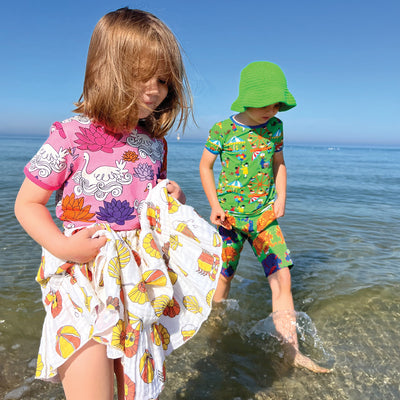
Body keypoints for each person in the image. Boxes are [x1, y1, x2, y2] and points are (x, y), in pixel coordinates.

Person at [15, 8, 222, 400]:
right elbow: (27, 203)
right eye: (142, 75)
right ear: (107, 69)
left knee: (136, 387)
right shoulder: (70, 135)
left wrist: (170, 199)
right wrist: (62, 247)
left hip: (137, 278)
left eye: (163, 79)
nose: (155, 88)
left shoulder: (154, 144)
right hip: (82, 273)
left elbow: (147, 201)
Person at [199, 61, 329, 373]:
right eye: (264, 103)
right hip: (229, 219)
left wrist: (281, 197)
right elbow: (205, 167)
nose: (270, 110)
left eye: (276, 104)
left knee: (282, 276)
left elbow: (279, 164)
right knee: (223, 276)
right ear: (247, 97)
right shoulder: (222, 130)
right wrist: (214, 205)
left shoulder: (275, 128)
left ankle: (291, 350)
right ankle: (215, 333)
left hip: (264, 216)